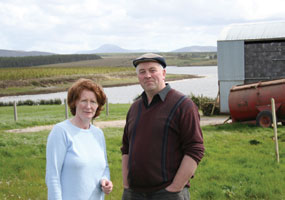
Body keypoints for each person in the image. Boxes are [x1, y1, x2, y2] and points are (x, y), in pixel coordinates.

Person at [121, 53, 204, 200]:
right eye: (142, 72)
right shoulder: (134, 108)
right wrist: (127, 185)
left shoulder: (183, 105)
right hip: (134, 193)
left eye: (152, 70)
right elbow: (126, 148)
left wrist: (175, 188)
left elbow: (195, 148)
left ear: (163, 73)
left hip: (167, 193)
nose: (147, 75)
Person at [46, 78, 113, 200]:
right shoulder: (61, 131)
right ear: (74, 102)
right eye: (84, 101)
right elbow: (52, 177)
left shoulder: (98, 133)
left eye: (93, 101)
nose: (88, 106)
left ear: (98, 105)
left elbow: (105, 168)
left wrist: (105, 180)